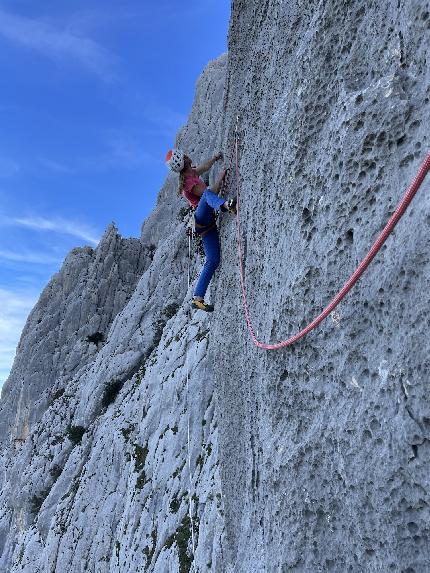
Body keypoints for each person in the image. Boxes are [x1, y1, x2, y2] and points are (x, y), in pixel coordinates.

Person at [165, 148, 236, 312]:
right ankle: (227, 206)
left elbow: (203, 168)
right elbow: (210, 193)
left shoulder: (192, 173)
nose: (187, 154)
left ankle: (198, 298)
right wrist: (220, 177)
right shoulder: (188, 185)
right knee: (207, 195)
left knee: (213, 259)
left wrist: (214, 158)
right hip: (202, 217)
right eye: (183, 155)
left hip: (206, 224)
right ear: (182, 161)